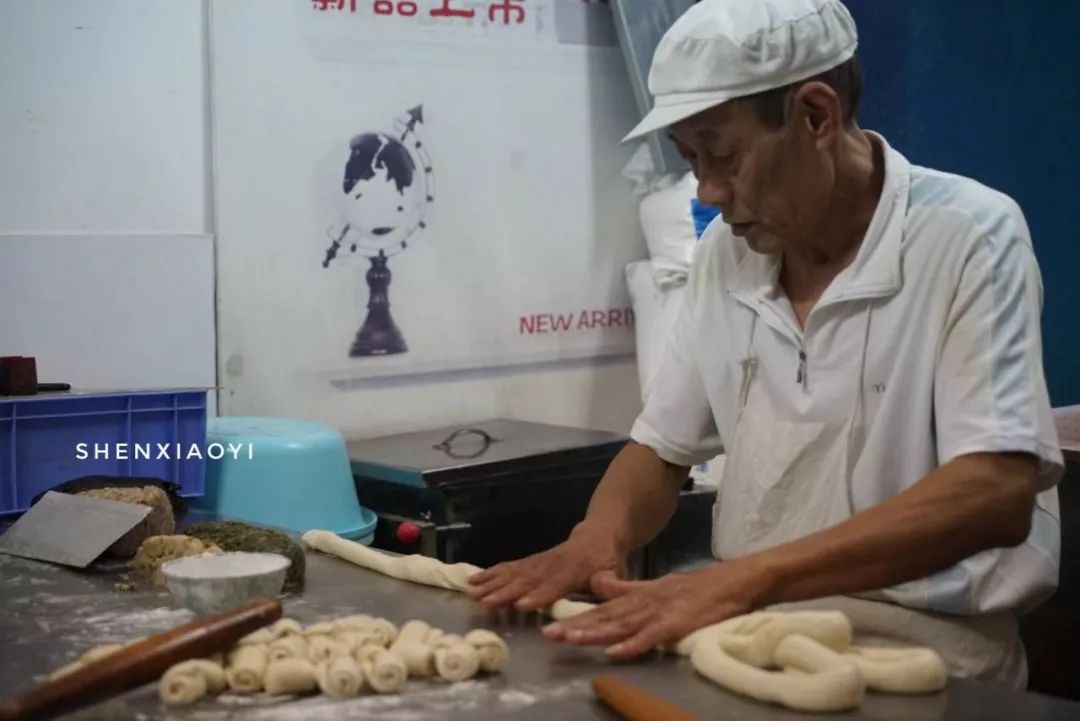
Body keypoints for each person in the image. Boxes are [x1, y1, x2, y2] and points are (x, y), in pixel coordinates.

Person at [467, 0, 1063, 689]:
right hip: (753, 638)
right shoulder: (729, 254)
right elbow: (661, 449)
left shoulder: (967, 238)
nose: (709, 191)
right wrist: (595, 538)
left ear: (816, 116)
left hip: (931, 660)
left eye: (723, 155)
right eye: (690, 160)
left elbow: (993, 489)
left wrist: (741, 581)